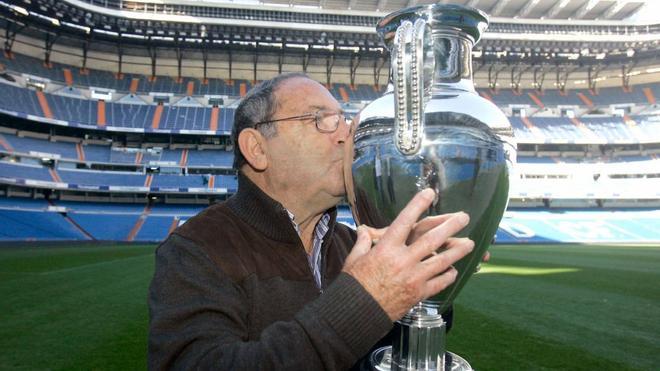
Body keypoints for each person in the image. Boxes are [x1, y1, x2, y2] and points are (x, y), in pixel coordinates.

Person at [148, 73, 475, 370]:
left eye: (344, 122)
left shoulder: (353, 242)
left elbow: (395, 348)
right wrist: (362, 302)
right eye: (321, 119)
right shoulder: (196, 250)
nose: (347, 136)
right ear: (257, 149)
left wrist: (423, 279)